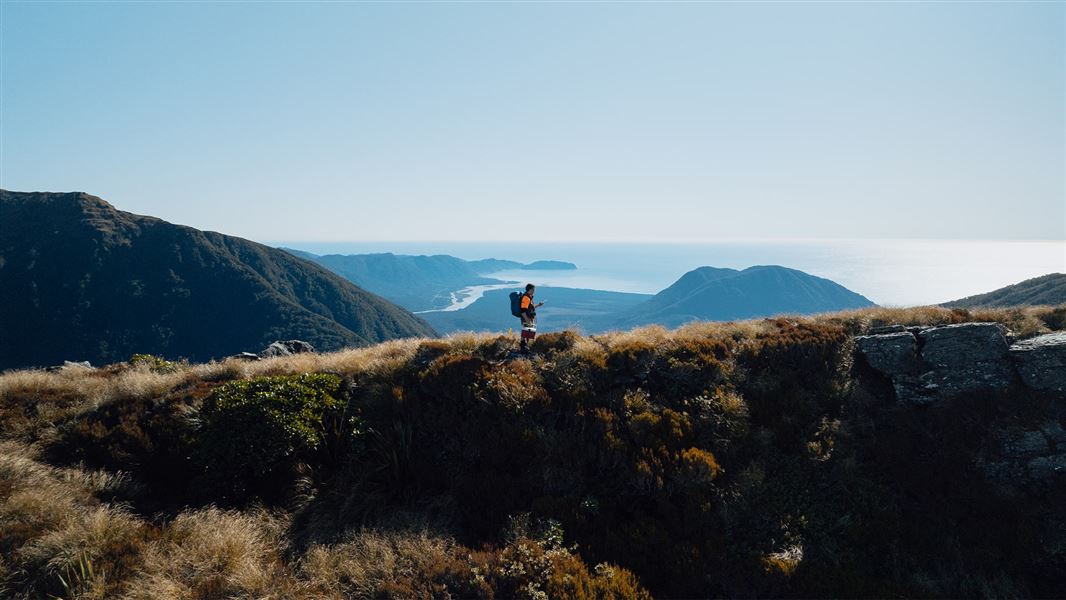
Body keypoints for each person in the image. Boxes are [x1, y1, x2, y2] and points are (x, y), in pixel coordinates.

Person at [519, 283, 543, 353]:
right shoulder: (526, 298)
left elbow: (530, 308)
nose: (534, 291)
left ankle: (525, 347)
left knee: (528, 333)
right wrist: (527, 319)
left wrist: (538, 305)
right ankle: (523, 348)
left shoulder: (529, 297)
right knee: (525, 333)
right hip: (526, 318)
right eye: (533, 289)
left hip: (528, 318)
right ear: (530, 289)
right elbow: (522, 310)